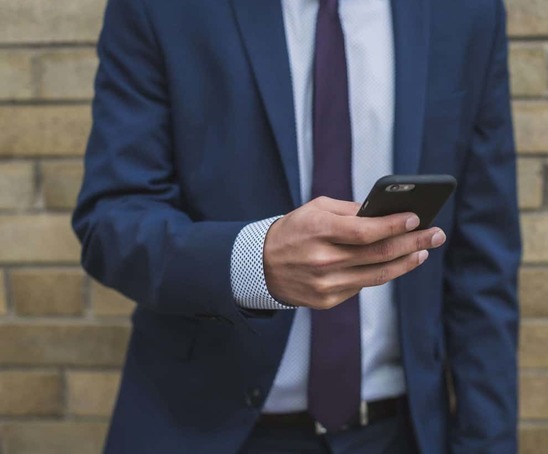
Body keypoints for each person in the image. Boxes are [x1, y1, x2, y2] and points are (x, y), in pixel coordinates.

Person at [72, 0, 520, 451]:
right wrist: (253, 264)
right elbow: (113, 219)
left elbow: (483, 259)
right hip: (209, 431)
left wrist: (488, 442)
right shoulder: (160, 9)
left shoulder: (466, 12)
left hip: (398, 433)